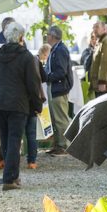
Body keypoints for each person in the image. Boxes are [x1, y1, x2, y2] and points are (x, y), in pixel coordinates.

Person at [0, 23, 43, 191]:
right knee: (15, 140)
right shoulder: (27, 57)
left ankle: (12, 175)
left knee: (8, 139)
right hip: (18, 104)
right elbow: (33, 84)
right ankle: (9, 179)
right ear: (21, 38)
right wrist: (38, 105)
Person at [43, 27, 73, 156]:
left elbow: (61, 71)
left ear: (53, 36)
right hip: (56, 87)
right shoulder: (56, 49)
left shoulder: (60, 50)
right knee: (56, 118)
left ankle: (64, 145)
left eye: (48, 35)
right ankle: (58, 144)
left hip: (59, 88)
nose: (47, 37)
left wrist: (47, 77)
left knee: (60, 118)